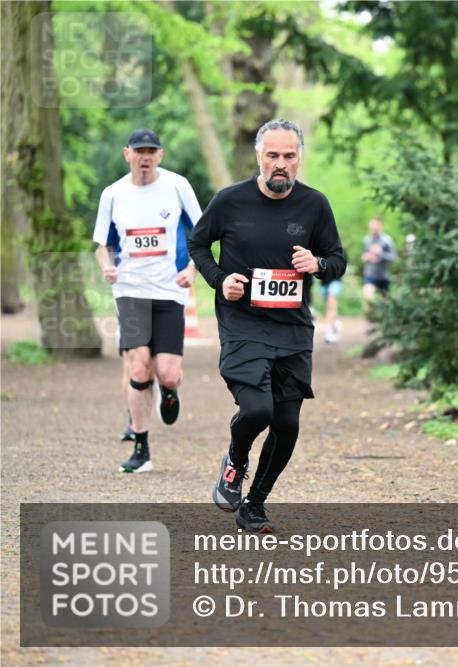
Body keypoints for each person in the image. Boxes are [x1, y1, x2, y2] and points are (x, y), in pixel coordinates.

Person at [189, 118, 346, 534]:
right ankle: (236, 460)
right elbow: (197, 243)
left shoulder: (315, 205)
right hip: (243, 323)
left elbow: (337, 260)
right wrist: (221, 280)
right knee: (257, 409)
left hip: (293, 328)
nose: (281, 164)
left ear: (299, 159)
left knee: (288, 424)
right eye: (273, 155)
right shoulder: (229, 201)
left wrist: (319, 264)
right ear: (259, 156)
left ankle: (254, 504)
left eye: (289, 156)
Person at [93, 128, 202, 473]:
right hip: (130, 290)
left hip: (170, 289)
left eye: (151, 151)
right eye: (139, 151)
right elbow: (102, 246)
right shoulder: (113, 194)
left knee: (168, 373)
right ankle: (141, 449)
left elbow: (201, 234)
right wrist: (108, 267)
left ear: (160, 155)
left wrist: (194, 269)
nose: (145, 157)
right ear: (127, 154)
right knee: (138, 366)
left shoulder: (177, 186)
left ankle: (169, 391)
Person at [361, 217, 397, 332]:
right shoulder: (367, 240)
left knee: (384, 302)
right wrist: (365, 257)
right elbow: (365, 255)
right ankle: (370, 323)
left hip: (384, 276)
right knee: (368, 296)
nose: (373, 229)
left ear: (381, 226)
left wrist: (381, 254)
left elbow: (394, 258)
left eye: (376, 227)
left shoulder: (387, 241)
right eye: (372, 227)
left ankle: (384, 324)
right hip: (370, 274)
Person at [320, 278, 343, 343]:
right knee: (328, 306)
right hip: (323, 282)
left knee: (331, 303)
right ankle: (336, 324)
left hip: (336, 280)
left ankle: (330, 330)